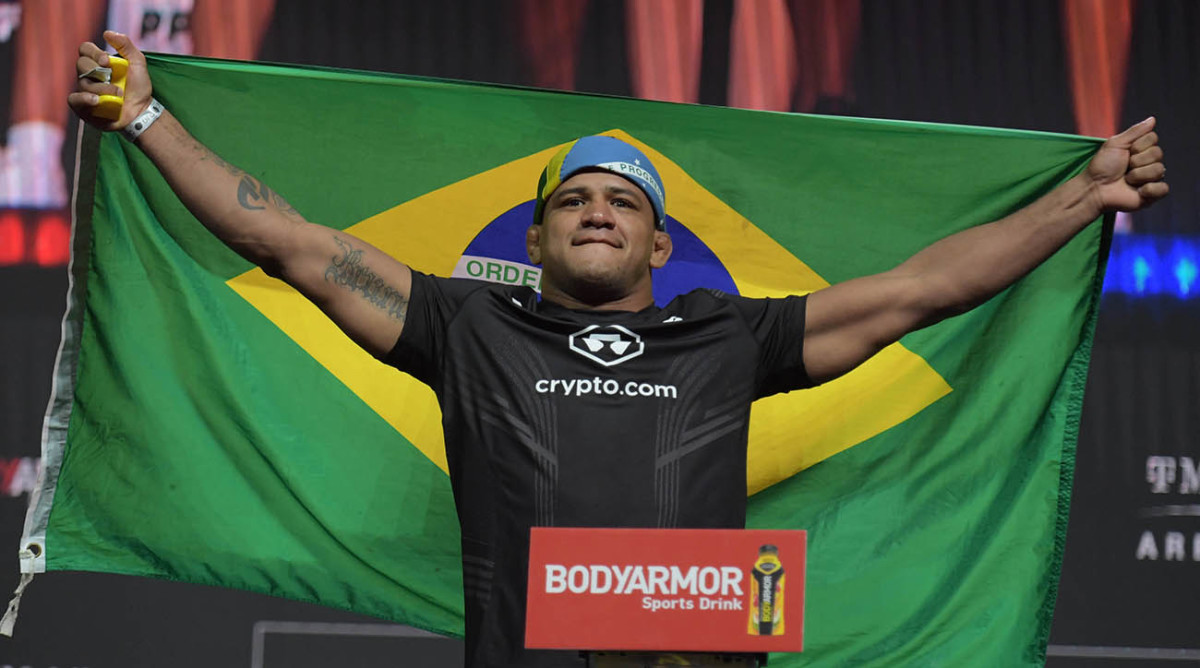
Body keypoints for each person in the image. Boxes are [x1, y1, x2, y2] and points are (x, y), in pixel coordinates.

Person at [69, 32, 1167, 668]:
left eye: (622, 202)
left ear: (660, 238)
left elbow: (925, 289)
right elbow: (291, 244)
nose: (598, 212)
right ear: (536, 235)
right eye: (574, 200)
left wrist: (1085, 193)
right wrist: (149, 121)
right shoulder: (467, 324)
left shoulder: (729, 334)